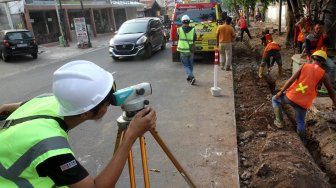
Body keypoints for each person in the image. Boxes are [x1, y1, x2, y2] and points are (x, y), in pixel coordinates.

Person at [0, 60, 157, 187]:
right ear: (86, 113)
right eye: (107, 102)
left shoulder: (49, 100)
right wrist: (130, 136)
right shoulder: (51, 149)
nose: (111, 103)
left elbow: (7, 108)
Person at [272, 50, 336, 140]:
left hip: (291, 97)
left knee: (275, 99)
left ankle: (279, 122)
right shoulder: (324, 75)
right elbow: (331, 91)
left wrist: (281, 91)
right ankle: (302, 140)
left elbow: (291, 80)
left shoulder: (304, 66)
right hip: (304, 103)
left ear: (311, 58)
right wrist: (334, 102)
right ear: (323, 62)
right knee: (300, 122)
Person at [177, 15, 197, 85]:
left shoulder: (179, 29)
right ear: (189, 21)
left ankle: (191, 77)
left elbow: (178, 37)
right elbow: (195, 38)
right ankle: (190, 77)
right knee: (190, 64)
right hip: (191, 49)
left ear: (182, 21)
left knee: (186, 65)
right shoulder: (193, 29)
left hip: (183, 49)